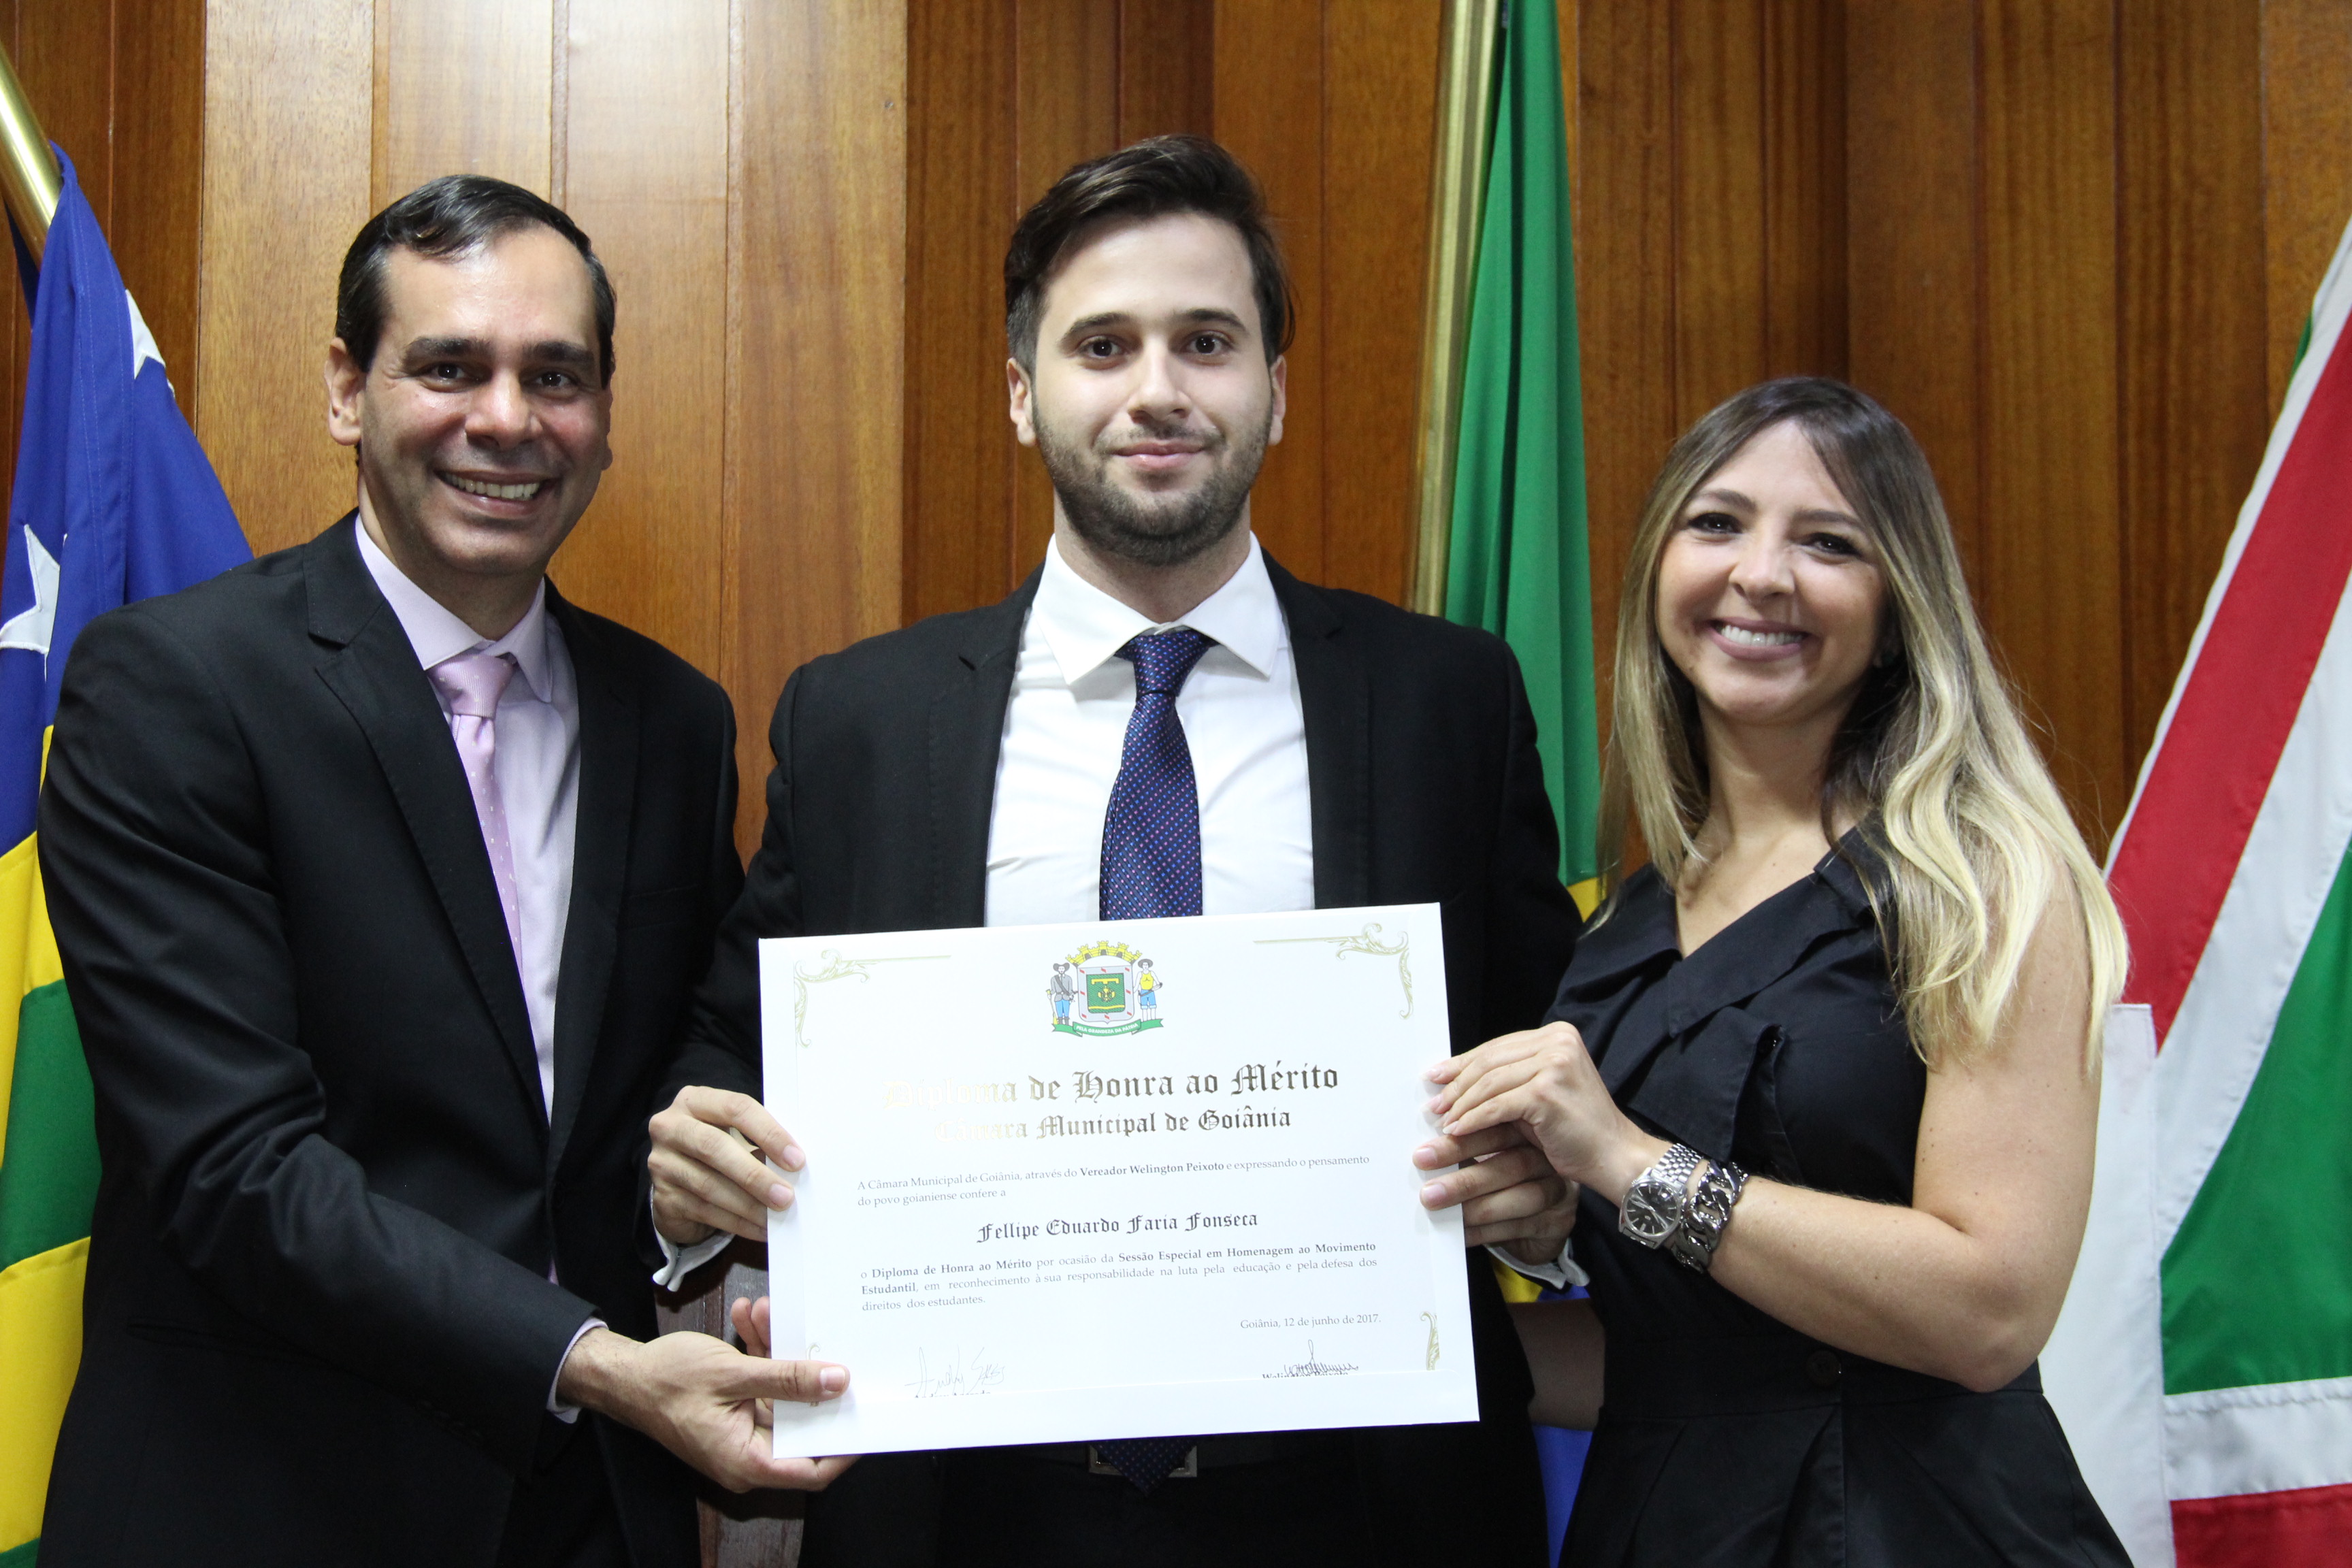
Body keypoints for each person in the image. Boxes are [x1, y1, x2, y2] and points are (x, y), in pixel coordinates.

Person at [644, 135, 1578, 1566]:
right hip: (960, 1509)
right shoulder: (863, 719)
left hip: (1367, 1504)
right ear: (1024, 395)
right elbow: (737, 1039)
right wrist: (695, 1166)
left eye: (1207, 341)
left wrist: (1544, 1198)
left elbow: (1546, 1043)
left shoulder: (1448, 700)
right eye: (1103, 346)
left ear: (1275, 387)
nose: (1158, 390)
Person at [35, 176, 845, 1568]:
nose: (508, 420)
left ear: (604, 416)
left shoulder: (673, 720)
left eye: (557, 377)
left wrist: (697, 1206)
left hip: (593, 1520)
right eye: (451, 367)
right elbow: (232, 1168)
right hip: (267, 1502)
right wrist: (596, 1362)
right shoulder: (173, 688)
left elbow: (671, 1087)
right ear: (349, 389)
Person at [1418, 377, 2134, 1566]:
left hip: (1921, 1531)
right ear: (1658, 571)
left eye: (1828, 542)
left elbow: (1990, 1312)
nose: (1760, 574)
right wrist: (1333, 1342)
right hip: (1667, 1527)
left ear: (1898, 610)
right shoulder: (1621, 932)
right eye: (1718, 523)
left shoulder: (1982, 883)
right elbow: (1684, 1370)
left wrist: (1627, 1162)